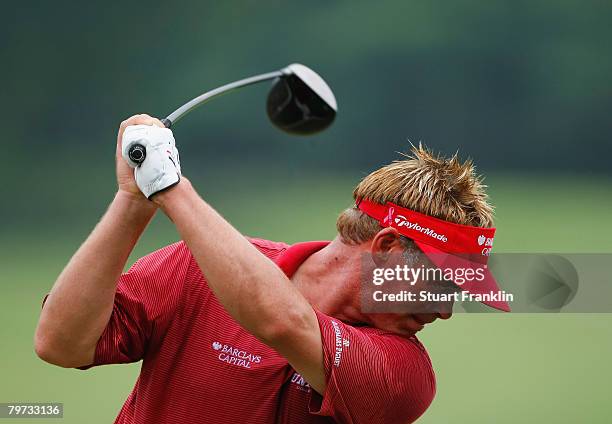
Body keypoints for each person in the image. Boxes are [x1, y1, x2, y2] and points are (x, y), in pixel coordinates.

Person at [35, 114, 509, 423]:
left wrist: (170, 188)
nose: (446, 311)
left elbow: (280, 320)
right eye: (442, 283)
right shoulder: (196, 264)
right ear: (386, 247)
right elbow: (59, 343)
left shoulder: (405, 374)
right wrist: (133, 200)